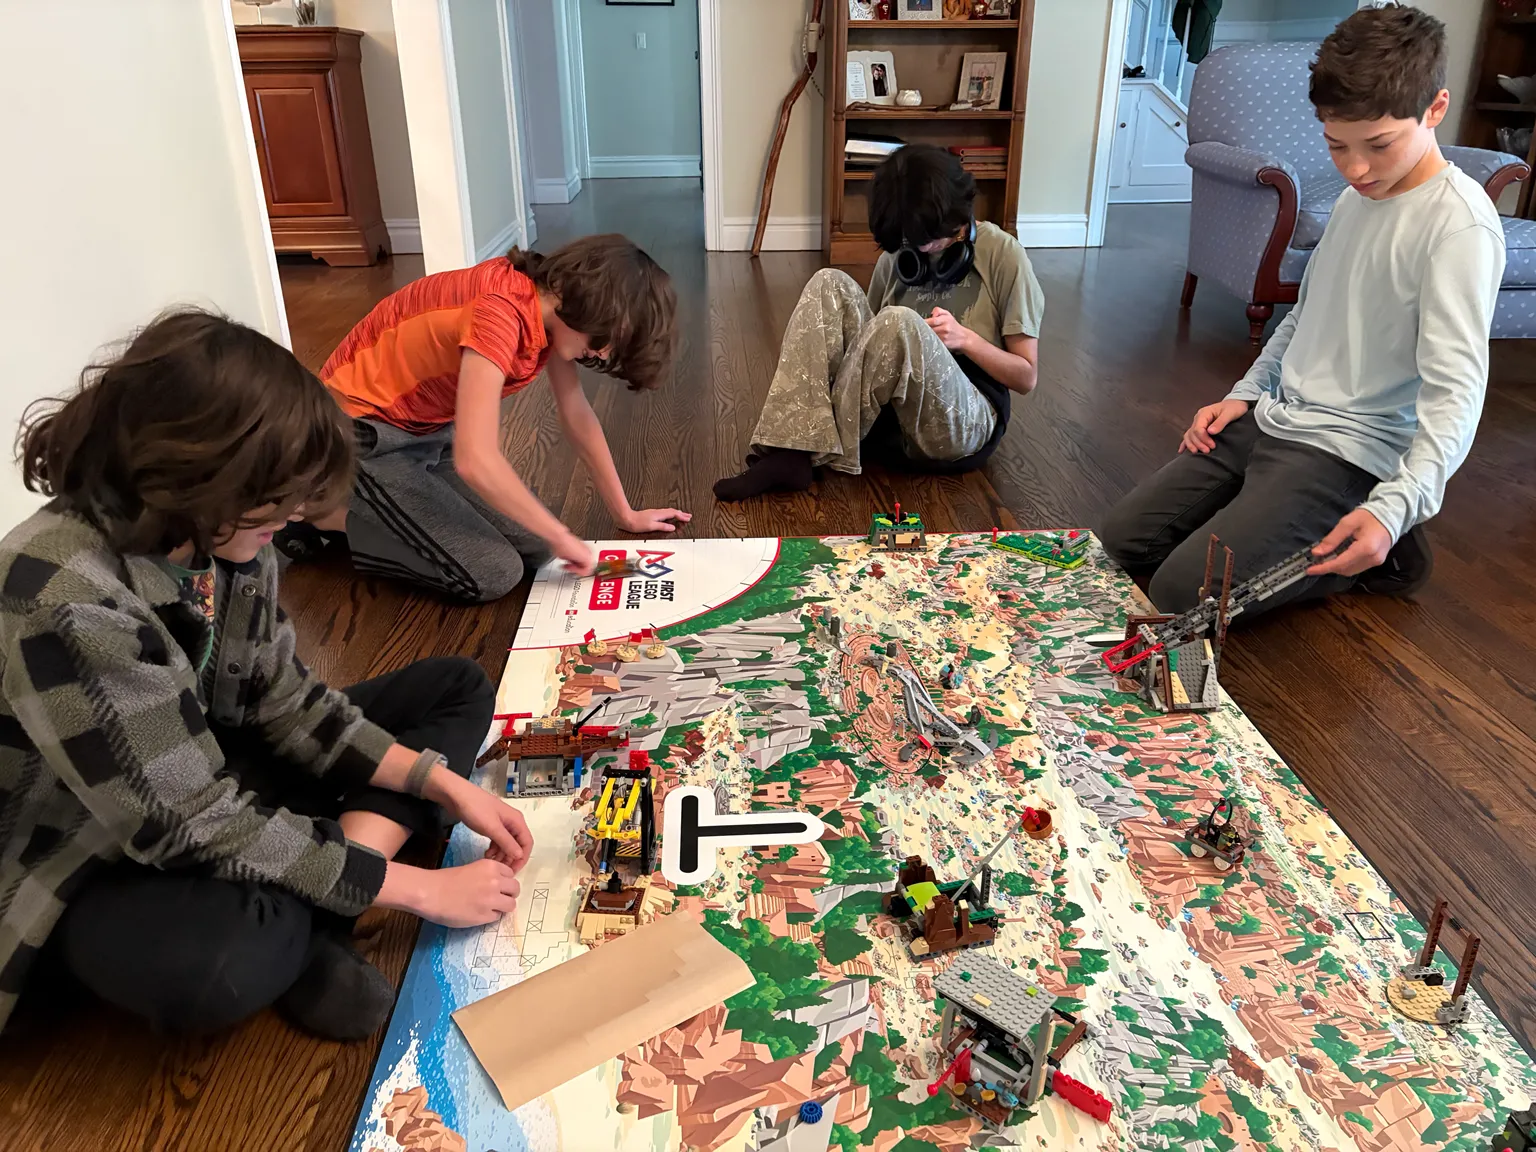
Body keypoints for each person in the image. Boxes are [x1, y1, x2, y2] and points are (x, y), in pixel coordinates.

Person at [0, 310, 534, 1041]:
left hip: (208, 770)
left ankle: (317, 898)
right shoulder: (64, 597)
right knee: (216, 969)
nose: (292, 521)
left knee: (458, 686)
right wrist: (417, 890)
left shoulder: (221, 537)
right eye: (275, 504)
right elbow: (181, 823)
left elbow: (285, 702)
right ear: (199, 476)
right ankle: (324, 897)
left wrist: (440, 783)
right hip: (93, 847)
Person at [1099, 6, 1504, 617]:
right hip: (1277, 417)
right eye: (1337, 145)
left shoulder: (1459, 228)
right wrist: (1244, 394)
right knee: (1119, 544)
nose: (1356, 168)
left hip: (1348, 451)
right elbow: (1302, 317)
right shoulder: (1353, 199)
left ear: (1435, 109)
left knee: (1180, 595)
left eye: (1379, 145)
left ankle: (1384, 549)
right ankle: (1278, 516)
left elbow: (1457, 395)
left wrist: (1395, 509)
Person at [281, 235, 691, 602]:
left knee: (538, 548)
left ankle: (382, 510)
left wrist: (624, 513)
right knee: (493, 573)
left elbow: (577, 413)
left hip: (427, 432)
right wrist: (560, 534)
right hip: (359, 436)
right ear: (576, 298)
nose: (601, 354)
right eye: (604, 340)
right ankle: (327, 515)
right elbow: (475, 459)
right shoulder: (499, 313)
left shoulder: (548, 314)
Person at [713, 144, 1043, 501]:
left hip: (966, 421)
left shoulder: (1003, 255)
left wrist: (967, 340)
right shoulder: (903, 251)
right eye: (910, 241)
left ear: (955, 218)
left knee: (899, 322)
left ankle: (805, 454)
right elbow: (865, 352)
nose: (920, 250)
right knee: (828, 283)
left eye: (927, 241)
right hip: (894, 419)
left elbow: (1026, 377)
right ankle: (789, 450)